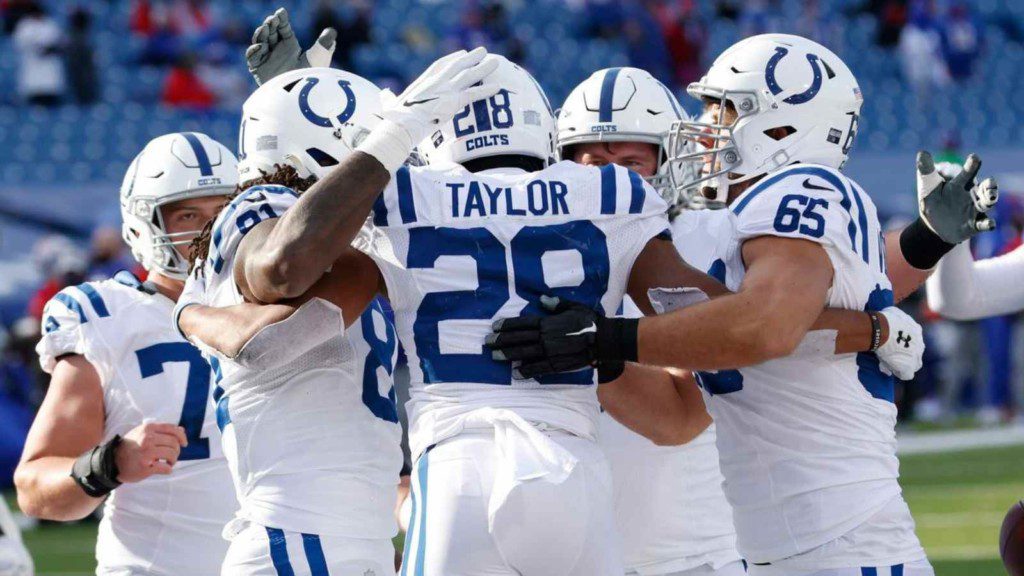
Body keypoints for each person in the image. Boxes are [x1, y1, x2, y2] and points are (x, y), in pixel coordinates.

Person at [182, 42, 926, 575]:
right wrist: (863, 325)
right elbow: (716, 319)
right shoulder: (616, 202)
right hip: (574, 470)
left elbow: (292, 266)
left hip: (458, 467)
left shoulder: (399, 199)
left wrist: (192, 308)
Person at [486, 34, 997, 576]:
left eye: (720, 110)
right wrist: (597, 356)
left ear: (779, 126)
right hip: (778, 548)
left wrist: (604, 337)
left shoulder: (793, 192)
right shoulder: (698, 243)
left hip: (835, 546)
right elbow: (686, 398)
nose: (705, 127)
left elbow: (766, 323)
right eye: (590, 160)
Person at [175, 67, 406, 575]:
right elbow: (285, 273)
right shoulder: (262, 205)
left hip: (341, 533)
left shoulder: (348, 239)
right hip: (303, 534)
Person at [15, 132, 238, 575]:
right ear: (144, 224)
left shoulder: (279, 310)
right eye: (189, 214)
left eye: (223, 212)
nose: (209, 231)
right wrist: (109, 463)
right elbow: (34, 488)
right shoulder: (108, 318)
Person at [12, 1, 65, 106]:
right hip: (32, 66)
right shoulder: (24, 26)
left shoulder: (50, 24)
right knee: (35, 98)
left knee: (51, 96)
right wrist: (38, 48)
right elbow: (20, 43)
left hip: (50, 67)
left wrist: (50, 49)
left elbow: (60, 42)